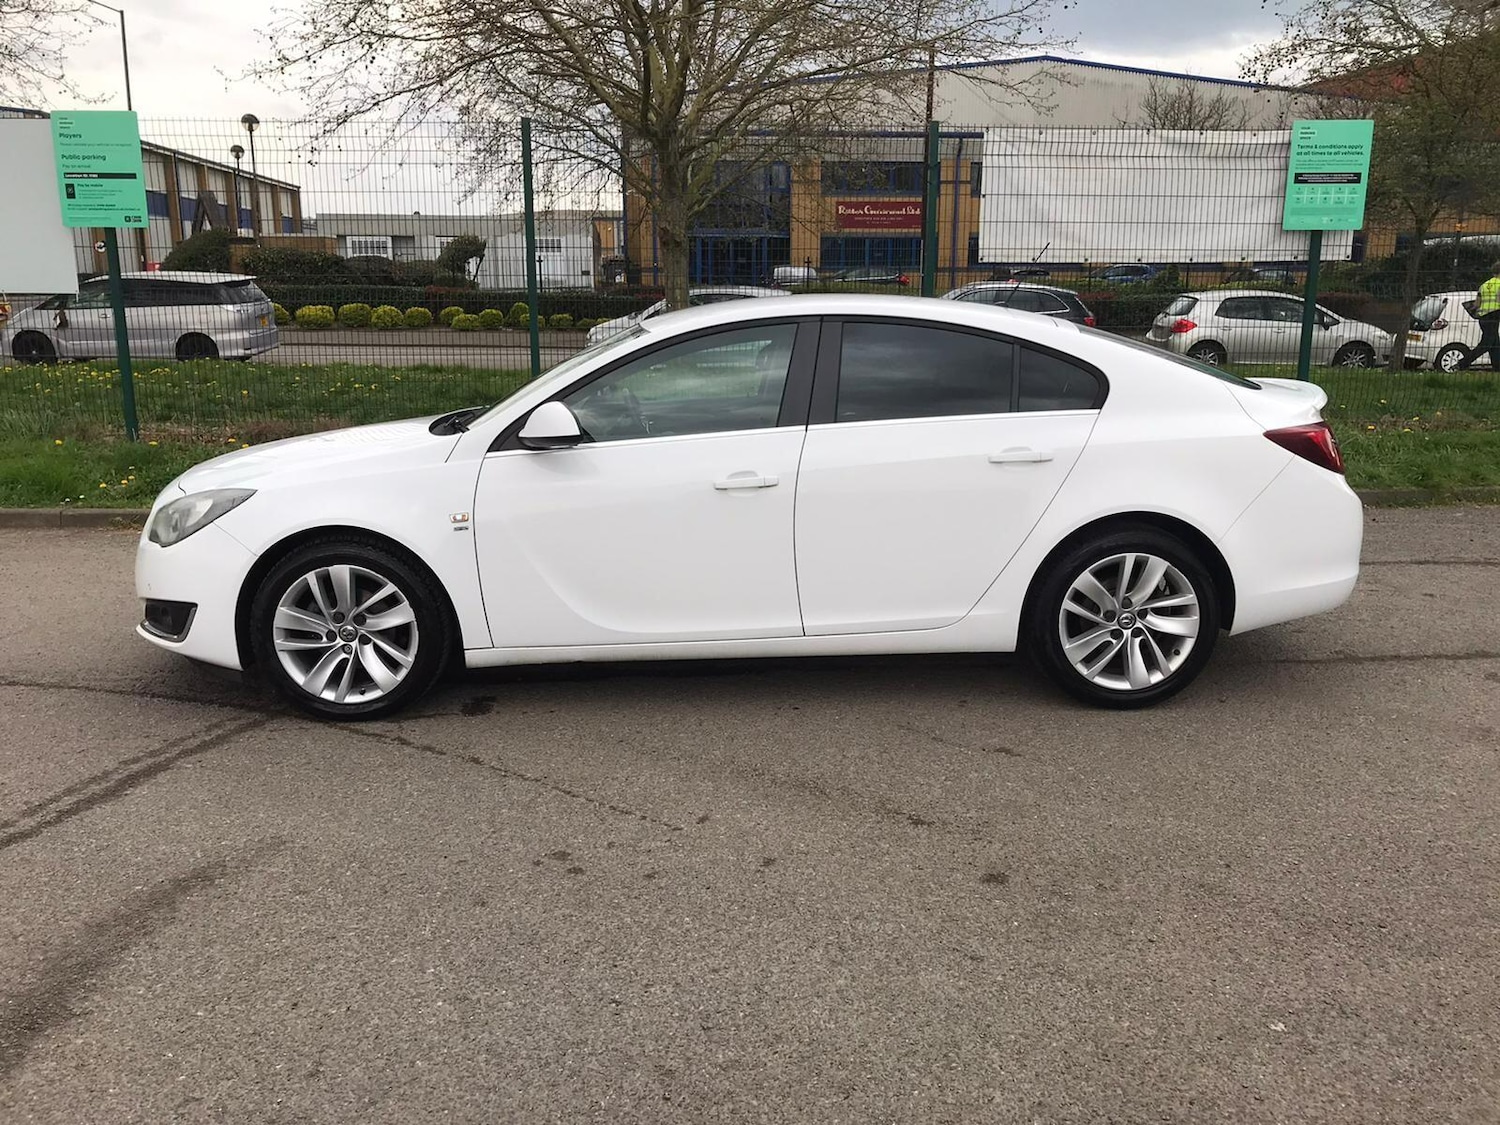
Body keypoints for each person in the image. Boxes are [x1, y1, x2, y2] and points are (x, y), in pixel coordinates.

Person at [1461, 261, 1500, 370]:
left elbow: (1477, 304)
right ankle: (1462, 364)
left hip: (1483, 318)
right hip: (1494, 316)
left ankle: (1498, 368)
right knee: (1486, 344)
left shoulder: (1484, 285)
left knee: (1495, 344)